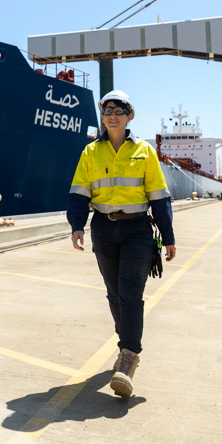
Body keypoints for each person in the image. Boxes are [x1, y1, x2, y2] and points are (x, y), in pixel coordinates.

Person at [67, 89, 176, 397]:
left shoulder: (144, 151)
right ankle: (126, 339)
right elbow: (79, 191)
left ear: (129, 116)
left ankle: (128, 358)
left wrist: (168, 236)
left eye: (119, 110)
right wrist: (77, 225)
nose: (112, 116)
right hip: (103, 229)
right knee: (114, 293)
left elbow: (159, 196)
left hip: (137, 230)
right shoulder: (91, 152)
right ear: (102, 117)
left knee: (130, 293)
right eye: (107, 111)